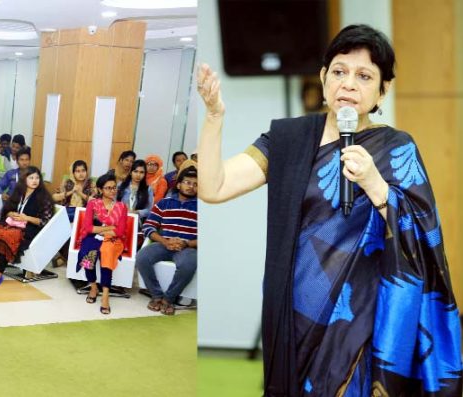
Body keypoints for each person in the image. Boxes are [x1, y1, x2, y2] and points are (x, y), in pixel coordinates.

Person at [196, 24, 460, 395]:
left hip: (362, 318)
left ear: (383, 89)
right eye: (339, 71)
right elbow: (214, 186)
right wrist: (213, 119)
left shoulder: (397, 148)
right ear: (323, 78)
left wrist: (375, 185)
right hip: (295, 312)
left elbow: (424, 236)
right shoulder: (288, 141)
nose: (348, 84)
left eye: (364, 75)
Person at [135, 167, 197, 316]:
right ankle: (156, 296)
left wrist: (187, 243)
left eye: (195, 184)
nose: (191, 186)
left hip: (187, 247)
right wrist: (164, 241)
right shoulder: (164, 203)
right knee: (142, 257)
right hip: (164, 244)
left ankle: (168, 299)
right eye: (188, 182)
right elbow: (148, 227)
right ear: (178, 185)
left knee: (188, 265)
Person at [0, 166, 54, 286]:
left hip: (30, 228)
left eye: (37, 178)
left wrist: (26, 218)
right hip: (12, 223)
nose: (35, 180)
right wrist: (11, 213)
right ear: (24, 179)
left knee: (8, 236)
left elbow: (44, 221)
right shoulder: (19, 192)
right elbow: (7, 210)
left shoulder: (44, 197)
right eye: (31, 178)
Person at [75, 174, 128, 315]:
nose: (112, 191)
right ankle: (93, 286)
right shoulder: (93, 204)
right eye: (108, 188)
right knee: (86, 256)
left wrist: (106, 231)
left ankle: (105, 294)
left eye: (114, 188)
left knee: (107, 255)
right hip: (93, 237)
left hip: (113, 240)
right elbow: (88, 227)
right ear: (100, 189)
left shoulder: (121, 207)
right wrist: (108, 229)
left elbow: (121, 231)